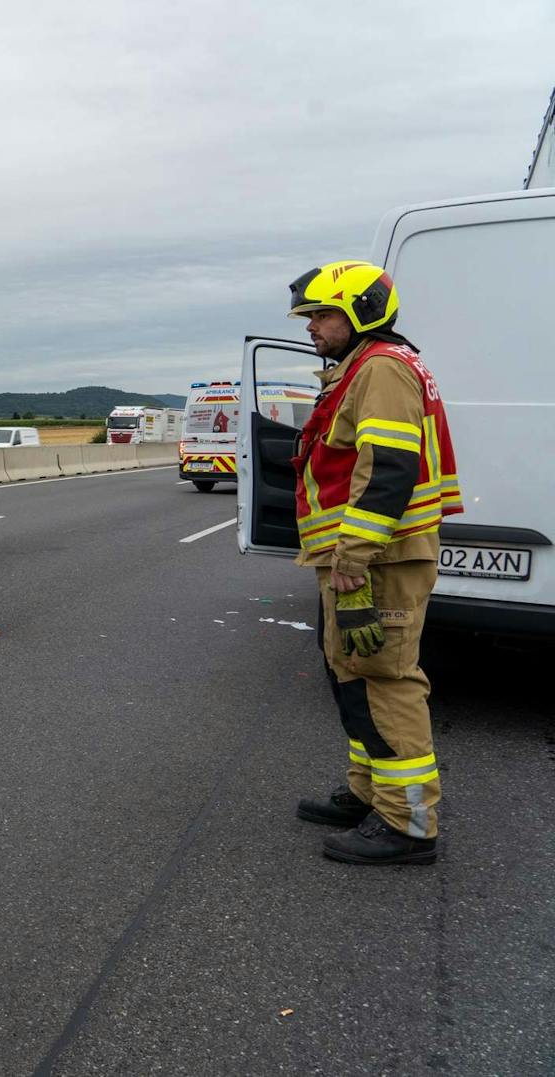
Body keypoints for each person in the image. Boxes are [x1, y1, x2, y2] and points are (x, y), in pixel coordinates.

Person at [285, 261, 461, 866]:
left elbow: (388, 469)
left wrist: (353, 560)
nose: (311, 327)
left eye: (322, 315)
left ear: (361, 311)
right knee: (352, 669)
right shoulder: (368, 367)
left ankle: (408, 824)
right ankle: (371, 792)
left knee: (385, 677)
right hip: (364, 555)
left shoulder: (382, 369)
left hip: (377, 556)